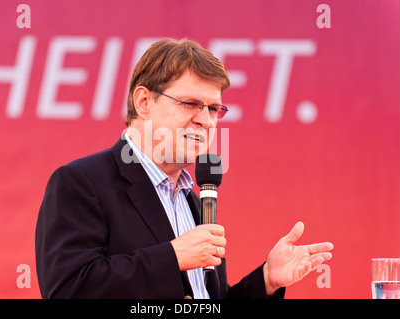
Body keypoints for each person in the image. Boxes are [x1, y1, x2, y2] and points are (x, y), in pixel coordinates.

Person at [35, 38, 333, 299]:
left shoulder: (194, 199)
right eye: (190, 103)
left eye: (214, 109)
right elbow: (68, 288)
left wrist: (267, 280)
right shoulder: (81, 183)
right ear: (144, 101)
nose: (206, 120)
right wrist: (173, 256)